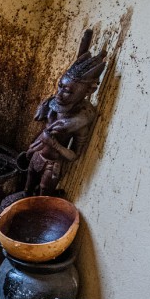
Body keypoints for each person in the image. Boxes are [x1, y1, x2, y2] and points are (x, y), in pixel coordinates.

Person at [24, 32, 106, 197]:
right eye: (60, 86)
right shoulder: (53, 104)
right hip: (37, 156)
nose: (60, 94)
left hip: (52, 164)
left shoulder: (79, 121)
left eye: (68, 91)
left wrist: (54, 144)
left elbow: (73, 155)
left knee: (43, 195)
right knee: (27, 188)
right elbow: (40, 122)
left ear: (89, 91)